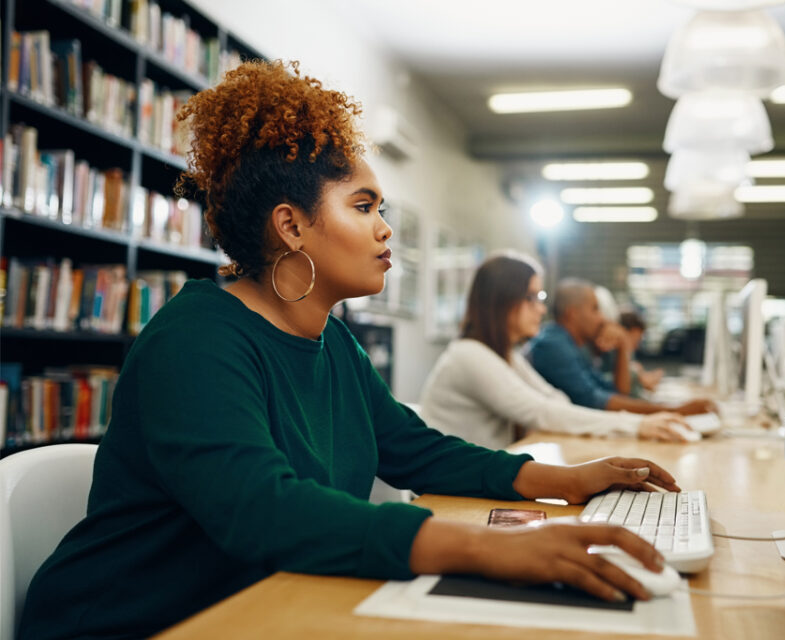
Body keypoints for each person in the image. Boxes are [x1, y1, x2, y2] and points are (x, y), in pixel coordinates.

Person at [17, 61, 680, 640]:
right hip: (131, 626)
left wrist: (570, 480)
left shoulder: (330, 340)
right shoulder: (194, 343)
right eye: (363, 206)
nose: (386, 228)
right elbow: (264, 512)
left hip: (260, 608)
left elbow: (417, 450)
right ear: (292, 224)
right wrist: (482, 547)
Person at [419, 253, 693, 449]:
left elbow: (554, 400)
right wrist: (636, 425)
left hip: (477, 480)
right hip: (446, 498)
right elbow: (541, 411)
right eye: (532, 298)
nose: (541, 309)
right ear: (502, 300)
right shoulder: (469, 356)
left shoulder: (503, 354)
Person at [529, 278, 715, 416]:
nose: (602, 318)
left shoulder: (573, 345)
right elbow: (597, 402)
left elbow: (615, 392)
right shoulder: (554, 345)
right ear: (573, 313)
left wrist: (624, 345)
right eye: (595, 309)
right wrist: (676, 410)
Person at [589, 310, 664, 396]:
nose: (636, 347)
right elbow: (606, 382)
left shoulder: (628, 353)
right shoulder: (609, 350)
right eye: (635, 341)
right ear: (623, 333)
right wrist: (636, 373)